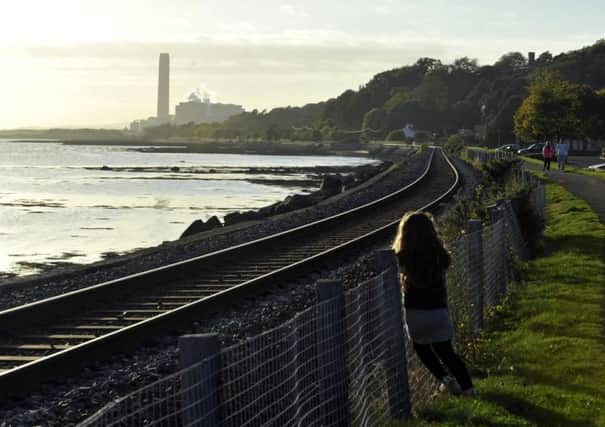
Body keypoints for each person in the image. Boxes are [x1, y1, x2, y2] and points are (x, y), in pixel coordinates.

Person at [392, 212, 475, 396]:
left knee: (420, 347)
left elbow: (396, 265)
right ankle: (468, 388)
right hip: (438, 312)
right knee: (447, 352)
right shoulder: (439, 255)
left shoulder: (404, 257)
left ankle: (445, 379)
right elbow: (446, 262)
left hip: (415, 314)